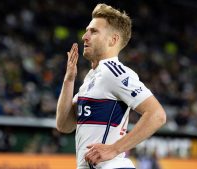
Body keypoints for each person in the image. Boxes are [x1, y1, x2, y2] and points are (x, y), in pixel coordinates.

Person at [56, 4, 166, 169]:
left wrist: (114, 149)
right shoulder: (91, 78)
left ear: (113, 40)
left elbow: (157, 115)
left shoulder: (113, 72)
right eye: (87, 30)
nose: (85, 36)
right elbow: (64, 125)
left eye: (93, 31)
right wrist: (69, 81)